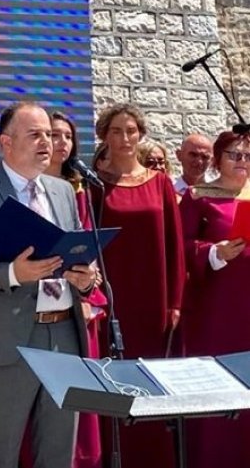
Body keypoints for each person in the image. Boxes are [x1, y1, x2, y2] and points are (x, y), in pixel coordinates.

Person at [0, 102, 96, 468]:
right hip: (7, 336)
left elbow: (77, 251)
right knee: (1, 451)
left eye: (49, 134)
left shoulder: (63, 190)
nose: (47, 142)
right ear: (7, 142)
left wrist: (87, 279)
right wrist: (12, 273)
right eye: (35, 134)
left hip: (63, 333)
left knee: (58, 451)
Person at [91, 103, 185, 468]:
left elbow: (175, 245)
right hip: (113, 300)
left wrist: (175, 301)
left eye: (131, 130)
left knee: (150, 380)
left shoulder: (160, 183)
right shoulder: (95, 185)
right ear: (104, 136)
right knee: (114, 380)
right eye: (116, 131)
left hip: (153, 300)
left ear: (140, 134)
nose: (125, 138)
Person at [179, 130, 250, 468]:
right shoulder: (199, 197)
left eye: (248, 156)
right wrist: (213, 253)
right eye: (235, 154)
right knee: (219, 390)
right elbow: (180, 246)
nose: (242, 161)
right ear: (218, 159)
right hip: (217, 311)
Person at [44, 111, 105, 468]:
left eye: (67, 136)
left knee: (81, 384)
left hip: (76, 292)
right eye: (54, 135)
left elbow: (84, 242)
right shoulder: (25, 187)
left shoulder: (77, 188)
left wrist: (89, 283)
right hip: (41, 291)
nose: (62, 143)